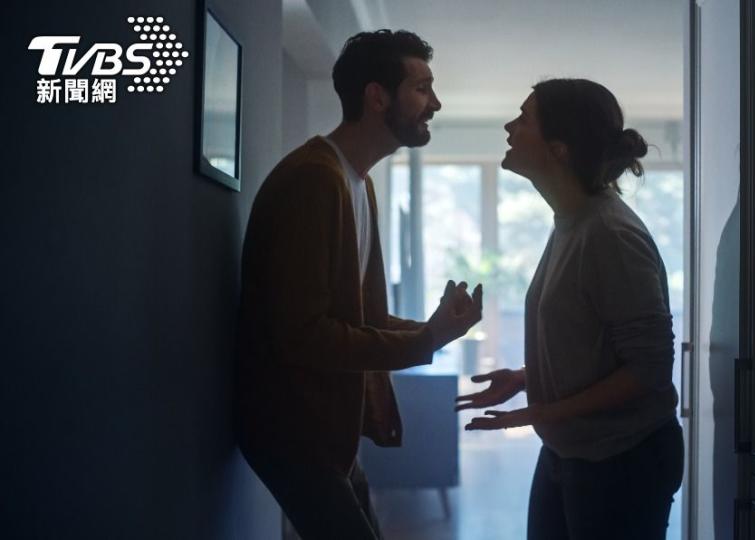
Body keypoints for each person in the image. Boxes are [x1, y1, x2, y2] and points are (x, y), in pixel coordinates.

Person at [236, 30, 482, 540]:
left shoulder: (357, 181)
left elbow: (358, 319)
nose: (434, 104)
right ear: (377, 97)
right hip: (295, 434)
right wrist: (427, 339)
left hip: (326, 434)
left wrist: (436, 328)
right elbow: (305, 335)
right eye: (422, 88)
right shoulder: (315, 179)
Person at [456, 78, 682, 540]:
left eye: (523, 119)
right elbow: (593, 342)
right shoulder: (572, 222)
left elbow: (650, 370)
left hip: (623, 461)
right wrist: (528, 380)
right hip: (573, 451)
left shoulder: (610, 234)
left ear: (558, 150)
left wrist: (538, 412)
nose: (509, 126)